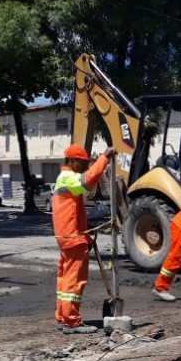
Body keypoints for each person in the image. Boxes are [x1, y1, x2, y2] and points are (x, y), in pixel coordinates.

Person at [52, 143, 115, 333]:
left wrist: (85, 226)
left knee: (64, 279)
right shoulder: (69, 177)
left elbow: (71, 209)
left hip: (66, 235)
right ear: (71, 161)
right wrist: (104, 158)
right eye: (82, 163)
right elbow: (87, 181)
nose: (85, 166)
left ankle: (63, 316)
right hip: (72, 236)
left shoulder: (63, 178)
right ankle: (72, 321)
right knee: (74, 279)